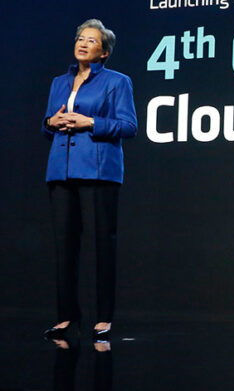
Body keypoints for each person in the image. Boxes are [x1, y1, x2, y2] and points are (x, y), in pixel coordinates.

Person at [41, 19, 137, 342]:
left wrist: (90, 122)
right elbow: (47, 127)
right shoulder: (59, 82)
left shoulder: (117, 82)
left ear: (104, 52)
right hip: (61, 170)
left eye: (92, 41)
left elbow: (129, 126)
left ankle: (103, 317)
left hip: (98, 170)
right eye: (80, 38)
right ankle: (67, 317)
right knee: (65, 247)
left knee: (101, 245)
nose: (83, 44)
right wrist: (51, 122)